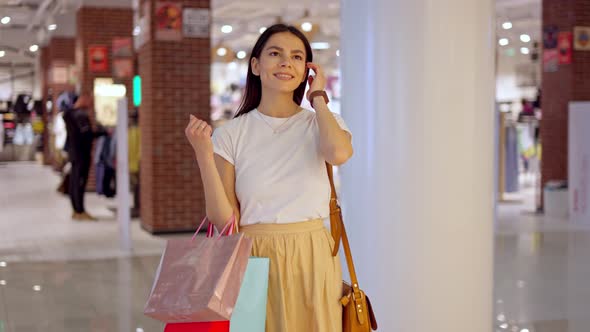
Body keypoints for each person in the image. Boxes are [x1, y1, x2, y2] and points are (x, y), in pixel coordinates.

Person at [185, 24, 353, 331]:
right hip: (253, 255)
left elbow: (338, 154)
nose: (286, 62)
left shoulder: (321, 123)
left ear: (306, 71)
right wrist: (203, 155)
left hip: (313, 253)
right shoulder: (232, 134)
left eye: (297, 57)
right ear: (256, 65)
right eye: (275, 53)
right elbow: (225, 220)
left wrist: (318, 96)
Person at [62, 94, 98, 221]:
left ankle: (77, 209)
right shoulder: (80, 115)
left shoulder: (69, 115)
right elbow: (87, 135)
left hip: (75, 154)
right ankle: (79, 210)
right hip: (81, 154)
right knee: (79, 182)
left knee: (75, 181)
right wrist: (101, 132)